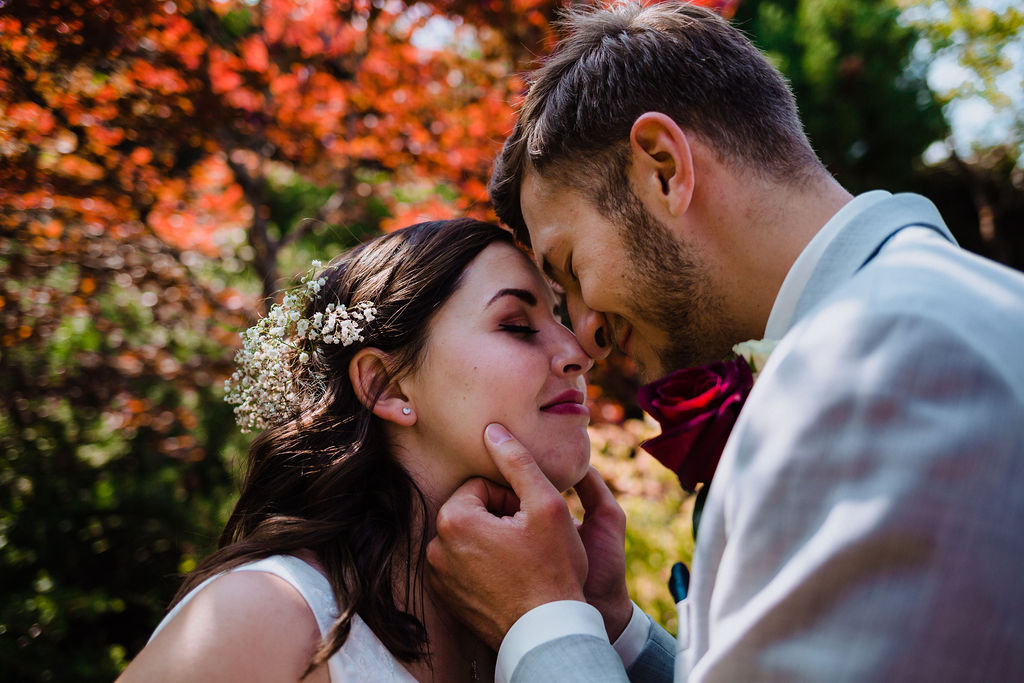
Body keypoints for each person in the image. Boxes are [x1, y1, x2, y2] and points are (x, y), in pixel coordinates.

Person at [426, 2, 1024, 682]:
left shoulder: (876, 369)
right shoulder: (927, 315)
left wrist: (540, 619)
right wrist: (614, 628)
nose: (586, 333)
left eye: (570, 268)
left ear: (663, 169)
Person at [115, 218, 596, 682]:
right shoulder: (261, 613)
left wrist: (603, 616)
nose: (578, 353)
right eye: (517, 324)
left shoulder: (546, 617)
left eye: (559, 318)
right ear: (386, 386)